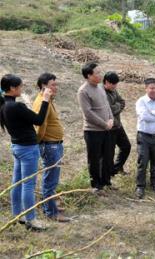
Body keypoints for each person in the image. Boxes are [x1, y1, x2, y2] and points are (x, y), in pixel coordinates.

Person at [0, 74, 52, 231]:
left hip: (17, 147)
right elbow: (39, 120)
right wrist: (45, 100)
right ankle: (31, 219)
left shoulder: (4, 105)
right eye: (20, 87)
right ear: (12, 88)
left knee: (17, 183)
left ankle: (18, 215)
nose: (22, 89)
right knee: (28, 184)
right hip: (28, 149)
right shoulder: (16, 106)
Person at [32, 73, 70, 222]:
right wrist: (41, 142)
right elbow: (40, 127)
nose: (56, 87)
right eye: (53, 85)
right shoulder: (43, 102)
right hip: (50, 146)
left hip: (54, 145)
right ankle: (51, 212)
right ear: (43, 86)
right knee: (50, 180)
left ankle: (49, 204)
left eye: (56, 84)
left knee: (52, 179)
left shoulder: (48, 100)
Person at [77, 62, 114, 194]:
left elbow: (107, 106)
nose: (100, 75)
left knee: (107, 157)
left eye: (100, 72)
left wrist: (111, 119)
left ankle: (106, 181)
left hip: (106, 129)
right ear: (88, 75)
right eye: (97, 73)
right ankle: (96, 186)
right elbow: (88, 113)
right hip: (93, 131)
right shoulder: (83, 91)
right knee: (94, 159)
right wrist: (104, 124)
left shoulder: (100, 87)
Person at [103, 72, 131, 176]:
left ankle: (117, 168)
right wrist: (116, 107)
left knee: (126, 147)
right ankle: (108, 175)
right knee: (109, 154)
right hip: (109, 128)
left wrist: (115, 107)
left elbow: (122, 102)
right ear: (106, 82)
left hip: (118, 125)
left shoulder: (114, 90)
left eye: (116, 84)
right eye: (113, 84)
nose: (115, 86)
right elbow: (107, 110)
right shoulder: (101, 93)